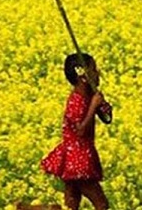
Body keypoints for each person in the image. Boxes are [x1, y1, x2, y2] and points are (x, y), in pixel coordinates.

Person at [41, 53, 112, 210]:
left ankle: (24, 208)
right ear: (83, 76)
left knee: (70, 206)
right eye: (93, 69)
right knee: (101, 204)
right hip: (78, 159)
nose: (98, 73)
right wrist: (93, 106)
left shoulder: (87, 97)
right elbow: (80, 130)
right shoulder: (76, 101)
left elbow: (106, 118)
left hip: (75, 157)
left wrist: (103, 109)